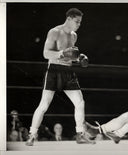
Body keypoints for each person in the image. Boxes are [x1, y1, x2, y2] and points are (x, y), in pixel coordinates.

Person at [26, 8, 91, 146]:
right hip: (54, 70)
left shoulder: (74, 35)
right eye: (77, 22)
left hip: (68, 71)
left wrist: (79, 58)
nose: (79, 25)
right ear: (68, 19)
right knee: (44, 105)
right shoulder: (54, 32)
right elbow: (46, 53)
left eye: (80, 22)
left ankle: (80, 134)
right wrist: (62, 53)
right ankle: (32, 135)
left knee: (80, 102)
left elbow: (70, 56)